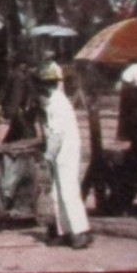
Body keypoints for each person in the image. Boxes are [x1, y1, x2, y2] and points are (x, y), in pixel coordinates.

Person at [37, 60, 93, 249]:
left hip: (66, 152)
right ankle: (64, 231)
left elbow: (57, 135)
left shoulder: (57, 104)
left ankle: (80, 231)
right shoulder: (54, 101)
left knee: (68, 193)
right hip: (62, 151)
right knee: (57, 193)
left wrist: (47, 156)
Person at [0, 58, 39, 144]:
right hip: (21, 108)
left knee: (15, 131)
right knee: (27, 130)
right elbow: (16, 94)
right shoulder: (19, 76)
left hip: (22, 107)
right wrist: (16, 108)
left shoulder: (19, 75)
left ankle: (2, 151)